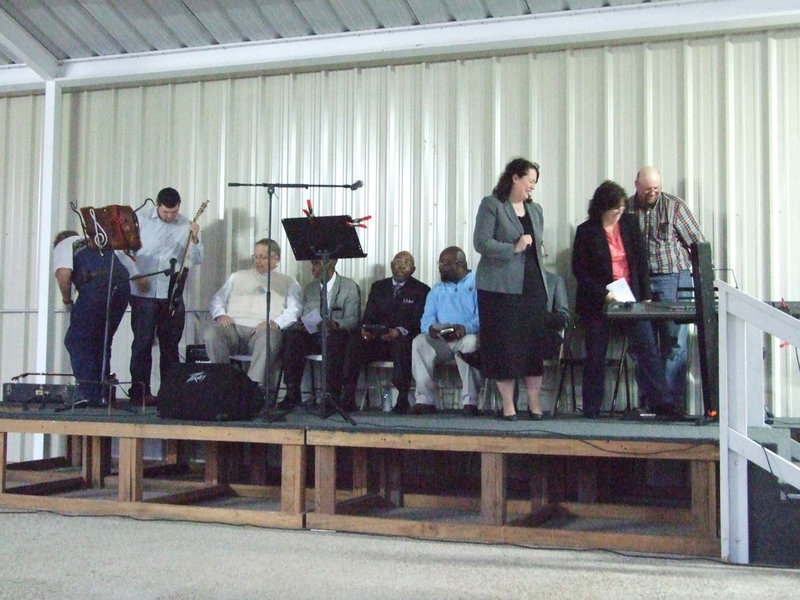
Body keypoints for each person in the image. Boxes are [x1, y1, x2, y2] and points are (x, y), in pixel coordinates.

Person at [572, 180, 678, 418]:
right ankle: (592, 407)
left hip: (630, 295)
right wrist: (604, 293)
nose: (619, 213)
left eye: (621, 208)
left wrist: (646, 296)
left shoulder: (629, 224)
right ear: (602, 208)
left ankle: (661, 401)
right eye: (614, 210)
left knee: (647, 347)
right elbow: (580, 270)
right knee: (596, 352)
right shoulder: (586, 231)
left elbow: (640, 262)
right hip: (599, 298)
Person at [473, 158, 548, 421]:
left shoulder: (535, 210)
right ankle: (508, 405)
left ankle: (535, 403)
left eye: (535, 182)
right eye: (530, 181)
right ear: (515, 178)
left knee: (533, 345)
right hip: (499, 289)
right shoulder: (492, 205)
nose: (533, 187)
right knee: (504, 346)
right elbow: (480, 242)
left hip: (532, 286)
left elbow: (537, 242)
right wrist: (512, 248)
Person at [628, 166, 706, 402]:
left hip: (673, 278)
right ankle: (650, 399)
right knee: (642, 344)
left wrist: (701, 279)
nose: (652, 193)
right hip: (639, 282)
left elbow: (698, 243)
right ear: (637, 186)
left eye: (656, 188)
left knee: (674, 343)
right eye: (647, 189)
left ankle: (671, 401)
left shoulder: (675, 207)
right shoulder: (627, 209)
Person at [129, 187, 204, 404]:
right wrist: (136, 276)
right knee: (142, 344)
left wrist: (196, 238)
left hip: (172, 294)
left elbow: (197, 259)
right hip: (144, 292)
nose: (170, 216)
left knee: (170, 346)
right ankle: (140, 393)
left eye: (173, 212)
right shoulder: (140, 220)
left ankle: (169, 394)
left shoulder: (187, 224)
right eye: (165, 213)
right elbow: (125, 253)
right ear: (158, 206)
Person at [203, 239, 301, 396]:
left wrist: (276, 323)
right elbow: (217, 299)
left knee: (271, 337)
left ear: (275, 259)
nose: (257, 261)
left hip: (262, 331)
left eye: (262, 257)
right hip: (233, 328)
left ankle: (252, 388)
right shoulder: (237, 276)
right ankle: (223, 382)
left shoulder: (288, 281)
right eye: (255, 256)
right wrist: (220, 314)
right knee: (211, 333)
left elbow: (295, 309)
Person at [53, 230, 137, 405]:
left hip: (97, 286)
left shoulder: (64, 245)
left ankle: (89, 393)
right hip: (122, 287)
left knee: (76, 339)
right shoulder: (97, 241)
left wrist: (67, 300)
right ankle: (103, 392)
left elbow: (63, 274)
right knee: (102, 339)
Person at [340, 251, 430, 413]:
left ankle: (402, 398)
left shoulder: (421, 290)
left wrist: (399, 331)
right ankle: (348, 395)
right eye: (398, 261)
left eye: (406, 263)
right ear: (391, 265)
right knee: (355, 342)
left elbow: (418, 321)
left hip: (401, 341)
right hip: (378, 339)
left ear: (413, 269)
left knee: (402, 343)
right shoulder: (378, 287)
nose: (401, 266)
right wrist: (366, 330)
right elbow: (368, 315)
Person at [277, 258, 361, 411]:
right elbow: (306, 314)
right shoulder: (310, 288)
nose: (312, 268)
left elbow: (353, 318)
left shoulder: (349, 287)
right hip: (314, 335)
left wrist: (334, 324)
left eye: (316, 263)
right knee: (293, 337)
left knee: (336, 338)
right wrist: (302, 323)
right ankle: (292, 391)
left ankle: (331, 395)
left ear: (330, 264)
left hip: (336, 336)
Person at [410, 246, 481, 416]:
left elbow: (484, 317)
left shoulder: (478, 284)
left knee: (470, 343)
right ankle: (424, 400)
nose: (440, 267)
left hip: (467, 337)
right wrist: (431, 329)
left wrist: (465, 328)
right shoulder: (437, 290)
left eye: (444, 263)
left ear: (459, 263)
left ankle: (470, 401)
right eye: (440, 263)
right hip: (442, 340)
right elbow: (427, 318)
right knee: (419, 341)